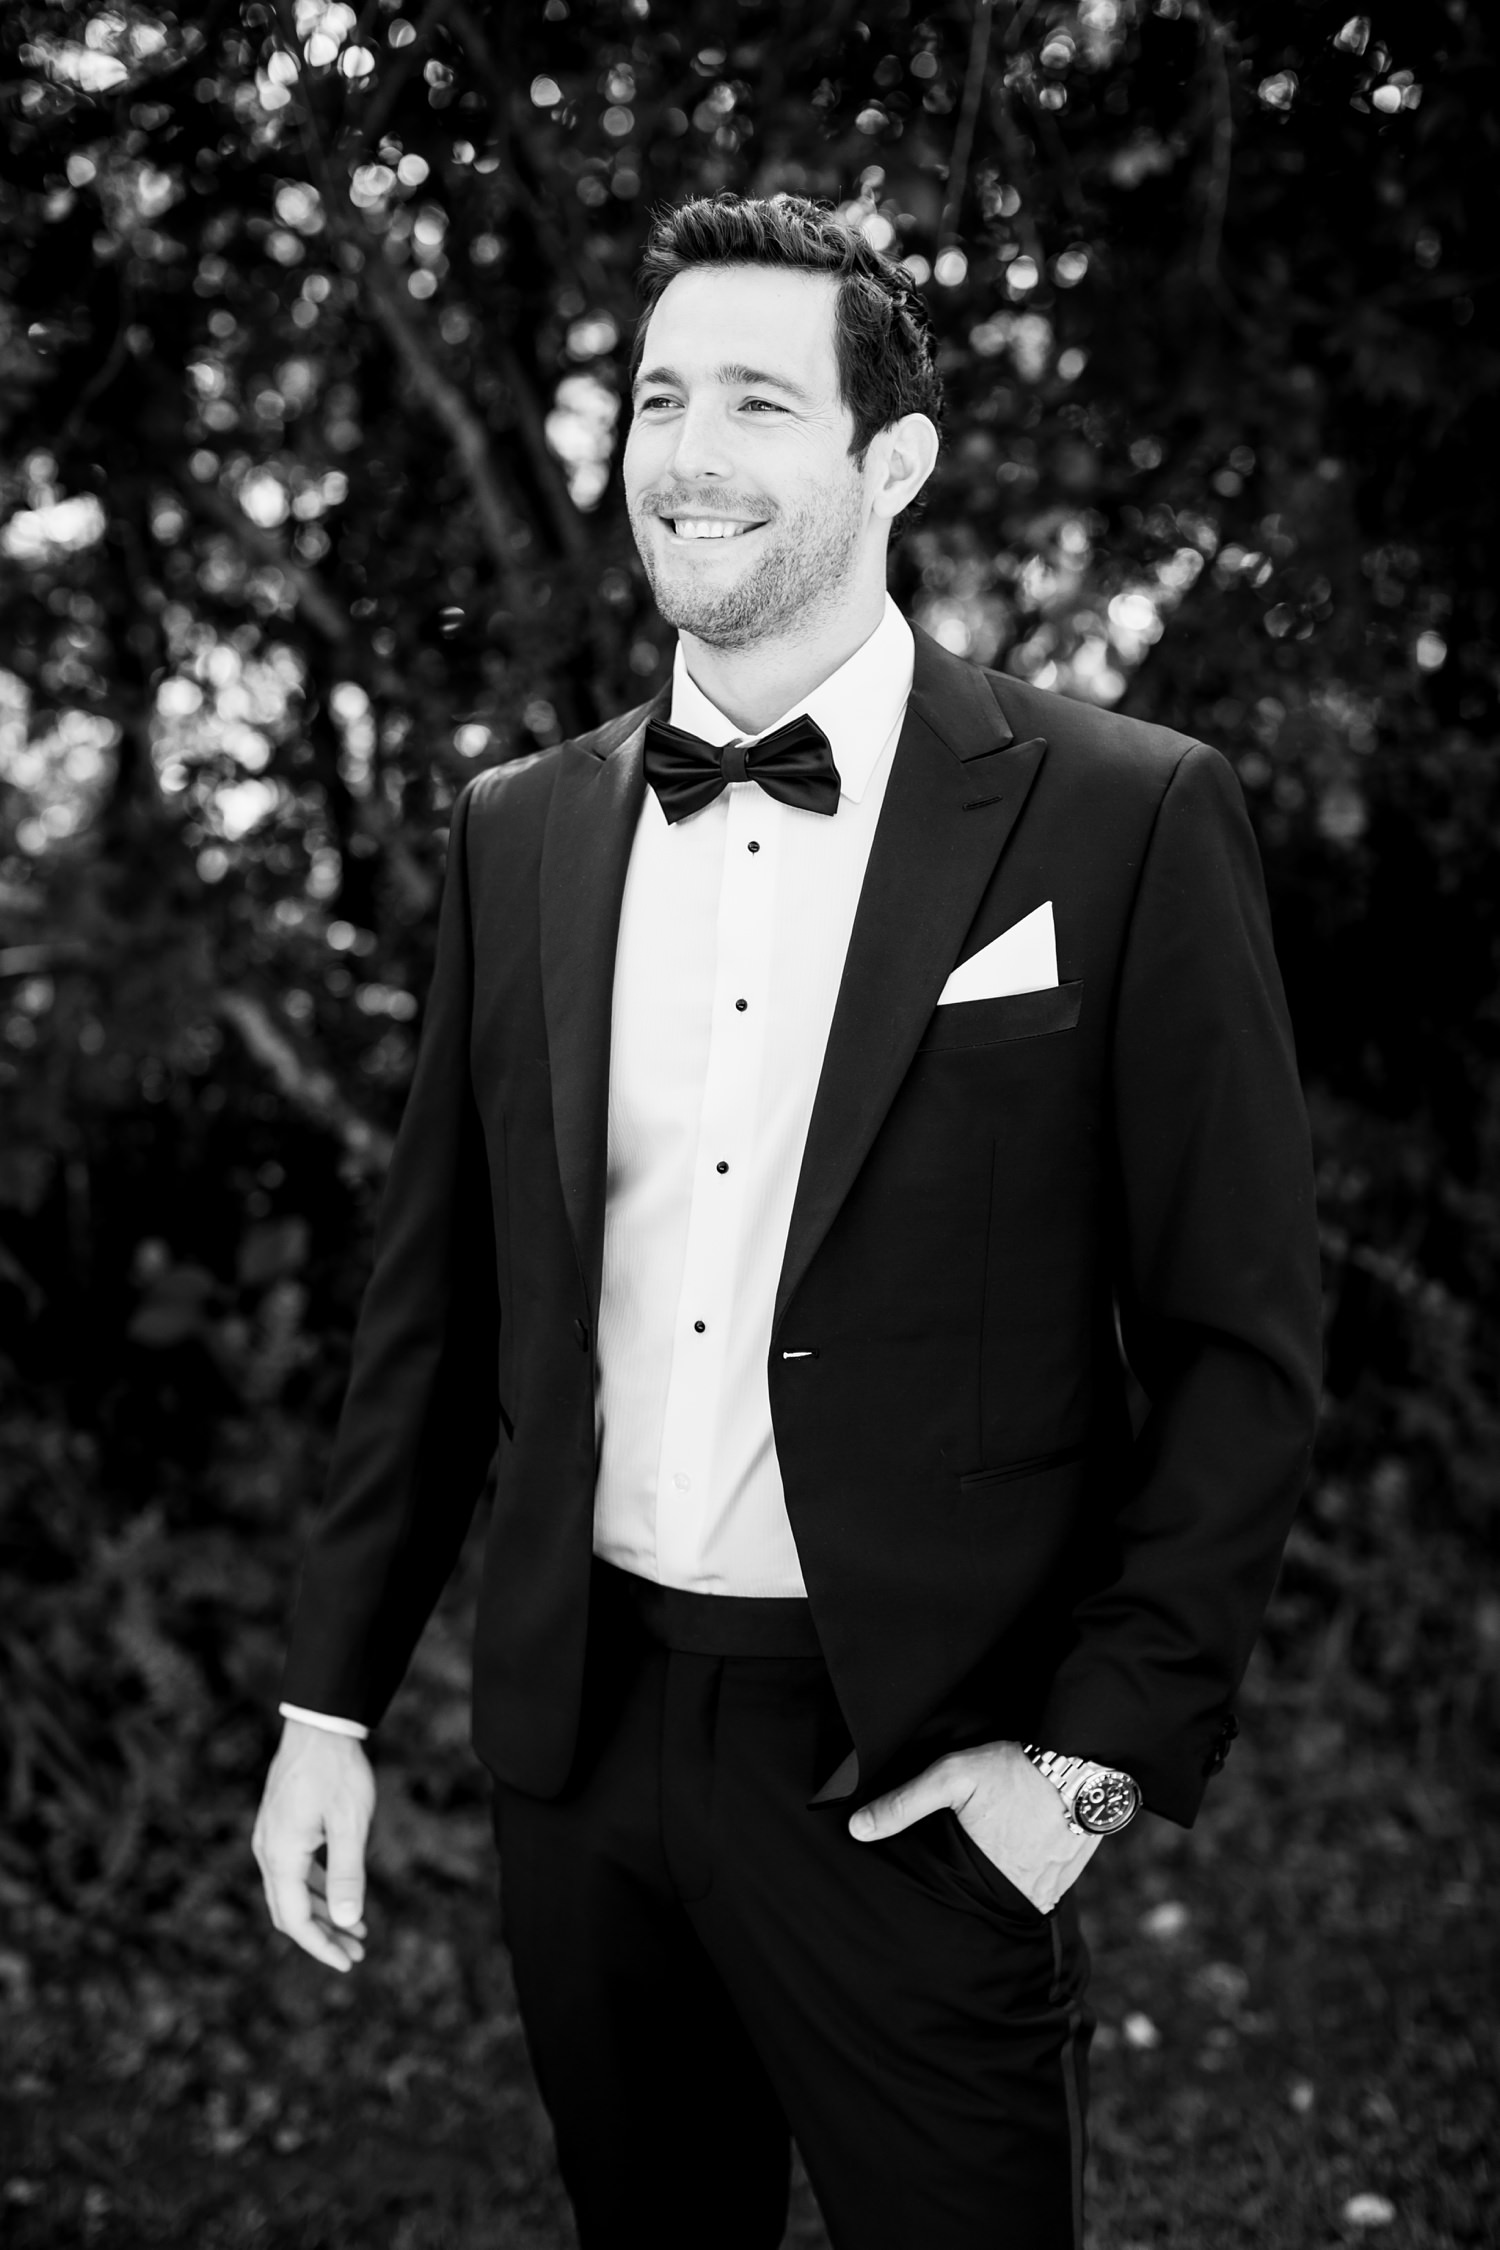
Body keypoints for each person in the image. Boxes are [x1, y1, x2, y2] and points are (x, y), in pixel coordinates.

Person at [253, 193, 1322, 2249]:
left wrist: (1082, 1773)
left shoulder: (1122, 817)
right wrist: (331, 1707)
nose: (690, 453)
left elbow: (1241, 1353)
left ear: (890, 459)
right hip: (584, 1759)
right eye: (660, 396)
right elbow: (434, 1318)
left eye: (757, 397)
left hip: (915, 1774)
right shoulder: (522, 828)